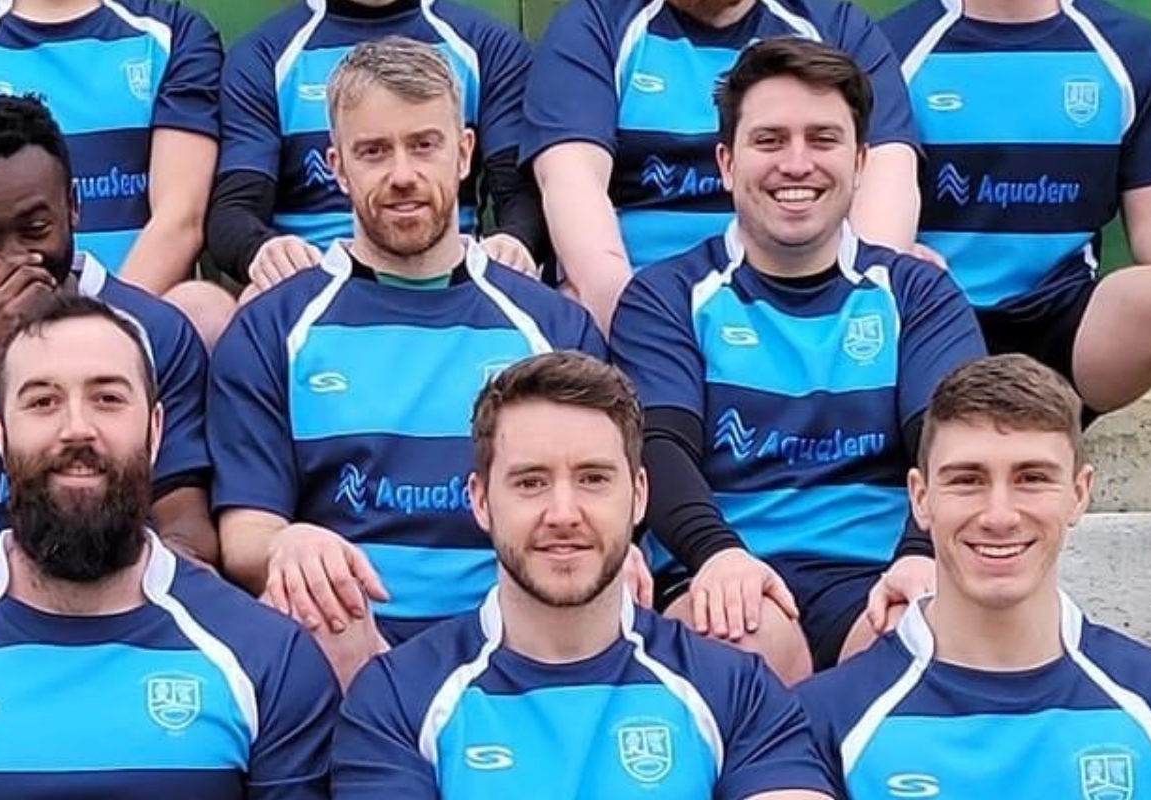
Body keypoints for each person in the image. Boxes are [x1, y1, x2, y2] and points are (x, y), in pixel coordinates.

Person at [880, 0, 1151, 658]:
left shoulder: (1126, 47)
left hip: (1063, 334)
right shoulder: (896, 46)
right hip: (931, 327)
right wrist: (897, 253)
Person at [210, 39, 612, 685]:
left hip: (513, 630)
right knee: (318, 619)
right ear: (338, 168)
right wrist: (289, 543)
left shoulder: (552, 326)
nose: (401, 174)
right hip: (351, 632)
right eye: (374, 151)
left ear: (464, 154)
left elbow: (598, 502)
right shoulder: (272, 327)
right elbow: (247, 535)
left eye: (424, 145)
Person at [0, 294, 337, 800]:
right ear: (0, 437)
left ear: (156, 431)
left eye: (108, 399)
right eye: (43, 401)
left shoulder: (269, 660)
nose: (77, 429)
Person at [610, 37, 982, 684]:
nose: (797, 163)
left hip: (879, 574)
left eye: (823, 139)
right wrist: (716, 554)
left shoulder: (917, 293)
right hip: (720, 571)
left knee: (920, 637)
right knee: (745, 633)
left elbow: (956, 443)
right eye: (770, 140)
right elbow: (659, 448)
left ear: (861, 160)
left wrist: (925, 554)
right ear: (726, 162)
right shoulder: (667, 295)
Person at [331, 352, 835, 800]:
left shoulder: (735, 689)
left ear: (639, 495)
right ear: (481, 500)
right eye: (531, 482)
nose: (564, 512)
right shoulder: (398, 698)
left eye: (593, 478)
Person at [796, 354, 1151, 797]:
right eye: (967, 479)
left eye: (1032, 478)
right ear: (920, 498)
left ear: (1079, 494)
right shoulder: (824, 720)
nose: (999, 515)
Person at [0, 94, 217, 588]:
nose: (16, 258)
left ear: (73, 209)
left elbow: (184, 517)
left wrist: (159, 579)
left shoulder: (152, 331)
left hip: (123, 598)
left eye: (36, 229)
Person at [532, 0, 928, 328]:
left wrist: (863, 309)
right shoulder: (597, 24)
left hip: (813, 311)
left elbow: (884, 178)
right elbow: (572, 184)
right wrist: (640, 329)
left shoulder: (834, 24)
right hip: (642, 311)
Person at [0, 0, 241, 338]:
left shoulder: (175, 31)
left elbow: (180, 218)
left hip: (138, 306)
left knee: (204, 308)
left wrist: (97, 329)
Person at [213, 0, 543, 296]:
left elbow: (522, 192)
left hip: (448, 275)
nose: (401, 174)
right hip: (314, 281)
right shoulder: (265, 55)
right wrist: (263, 250)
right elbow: (234, 210)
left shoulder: (485, 45)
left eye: (424, 144)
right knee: (247, 299)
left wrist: (517, 240)